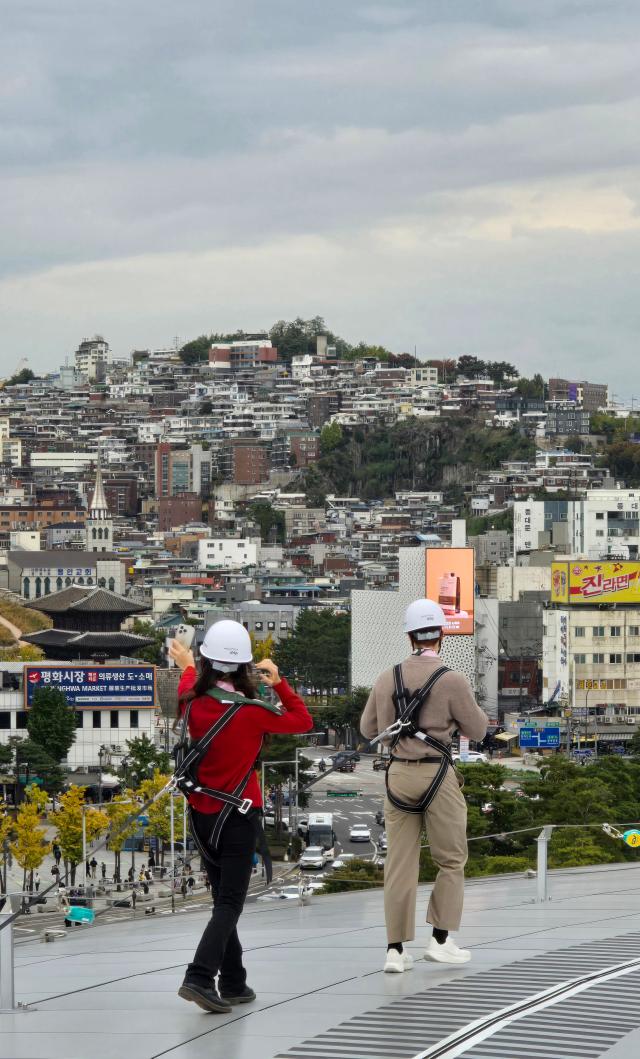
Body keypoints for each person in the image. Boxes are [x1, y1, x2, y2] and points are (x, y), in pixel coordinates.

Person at [170, 619, 312, 1014]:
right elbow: (303, 721)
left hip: (201, 815)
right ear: (246, 668)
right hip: (237, 815)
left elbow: (187, 683)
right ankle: (200, 976)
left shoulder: (191, 703)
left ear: (208, 662)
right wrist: (279, 682)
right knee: (230, 902)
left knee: (221, 899)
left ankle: (233, 980)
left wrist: (185, 662)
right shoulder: (254, 713)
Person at [361, 598, 488, 973]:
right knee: (450, 858)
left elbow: (369, 729)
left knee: (399, 863)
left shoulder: (387, 678)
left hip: (398, 772)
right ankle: (442, 940)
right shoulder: (452, 680)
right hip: (437, 774)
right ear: (441, 635)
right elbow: (478, 729)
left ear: (410, 636)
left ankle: (396, 950)